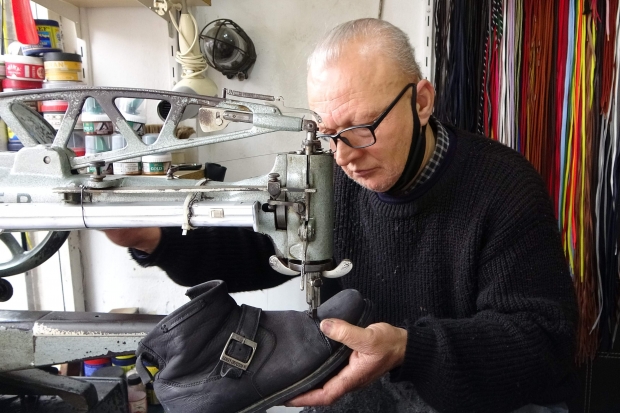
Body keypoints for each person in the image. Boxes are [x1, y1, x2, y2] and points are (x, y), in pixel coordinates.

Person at [105, 18, 577, 413]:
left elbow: (541, 341)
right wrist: (152, 238)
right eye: (328, 133)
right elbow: (257, 246)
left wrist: (407, 348)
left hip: (478, 396)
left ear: (421, 101)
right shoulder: (328, 175)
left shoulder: (503, 187)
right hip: (367, 390)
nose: (345, 155)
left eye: (362, 128)